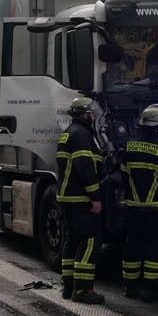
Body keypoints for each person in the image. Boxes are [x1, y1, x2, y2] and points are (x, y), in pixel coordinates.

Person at [119, 104, 158, 302]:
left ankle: (130, 286)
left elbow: (124, 176)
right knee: (154, 247)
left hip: (134, 207)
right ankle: (153, 288)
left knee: (132, 245)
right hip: (157, 209)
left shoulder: (128, 146)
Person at [56, 96, 106, 303]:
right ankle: (83, 289)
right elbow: (85, 168)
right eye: (92, 113)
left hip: (68, 198)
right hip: (81, 198)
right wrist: (95, 197)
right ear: (84, 114)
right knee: (91, 240)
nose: (94, 116)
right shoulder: (82, 135)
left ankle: (68, 287)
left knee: (72, 241)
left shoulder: (68, 134)